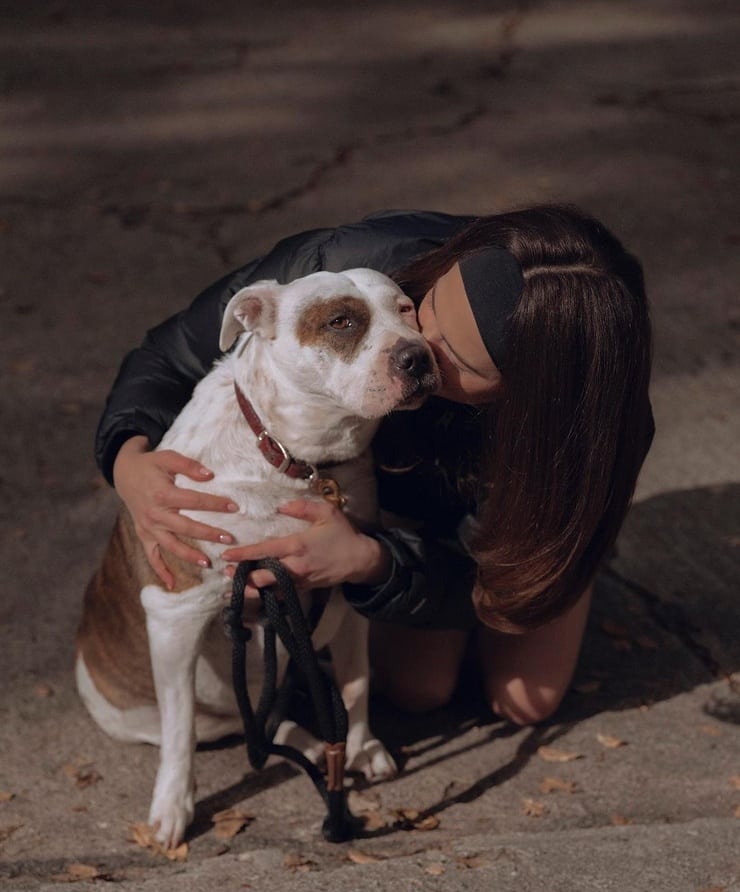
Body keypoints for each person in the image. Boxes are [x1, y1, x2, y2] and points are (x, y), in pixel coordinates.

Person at [96, 205, 654, 726]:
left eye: (454, 359)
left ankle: (574, 557)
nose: (415, 346)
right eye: (423, 308)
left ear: (526, 394)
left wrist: (372, 562)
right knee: (419, 688)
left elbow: (494, 586)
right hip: (398, 494)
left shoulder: (579, 441)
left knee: (525, 699)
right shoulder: (336, 265)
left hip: (495, 522)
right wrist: (128, 461)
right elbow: (167, 356)